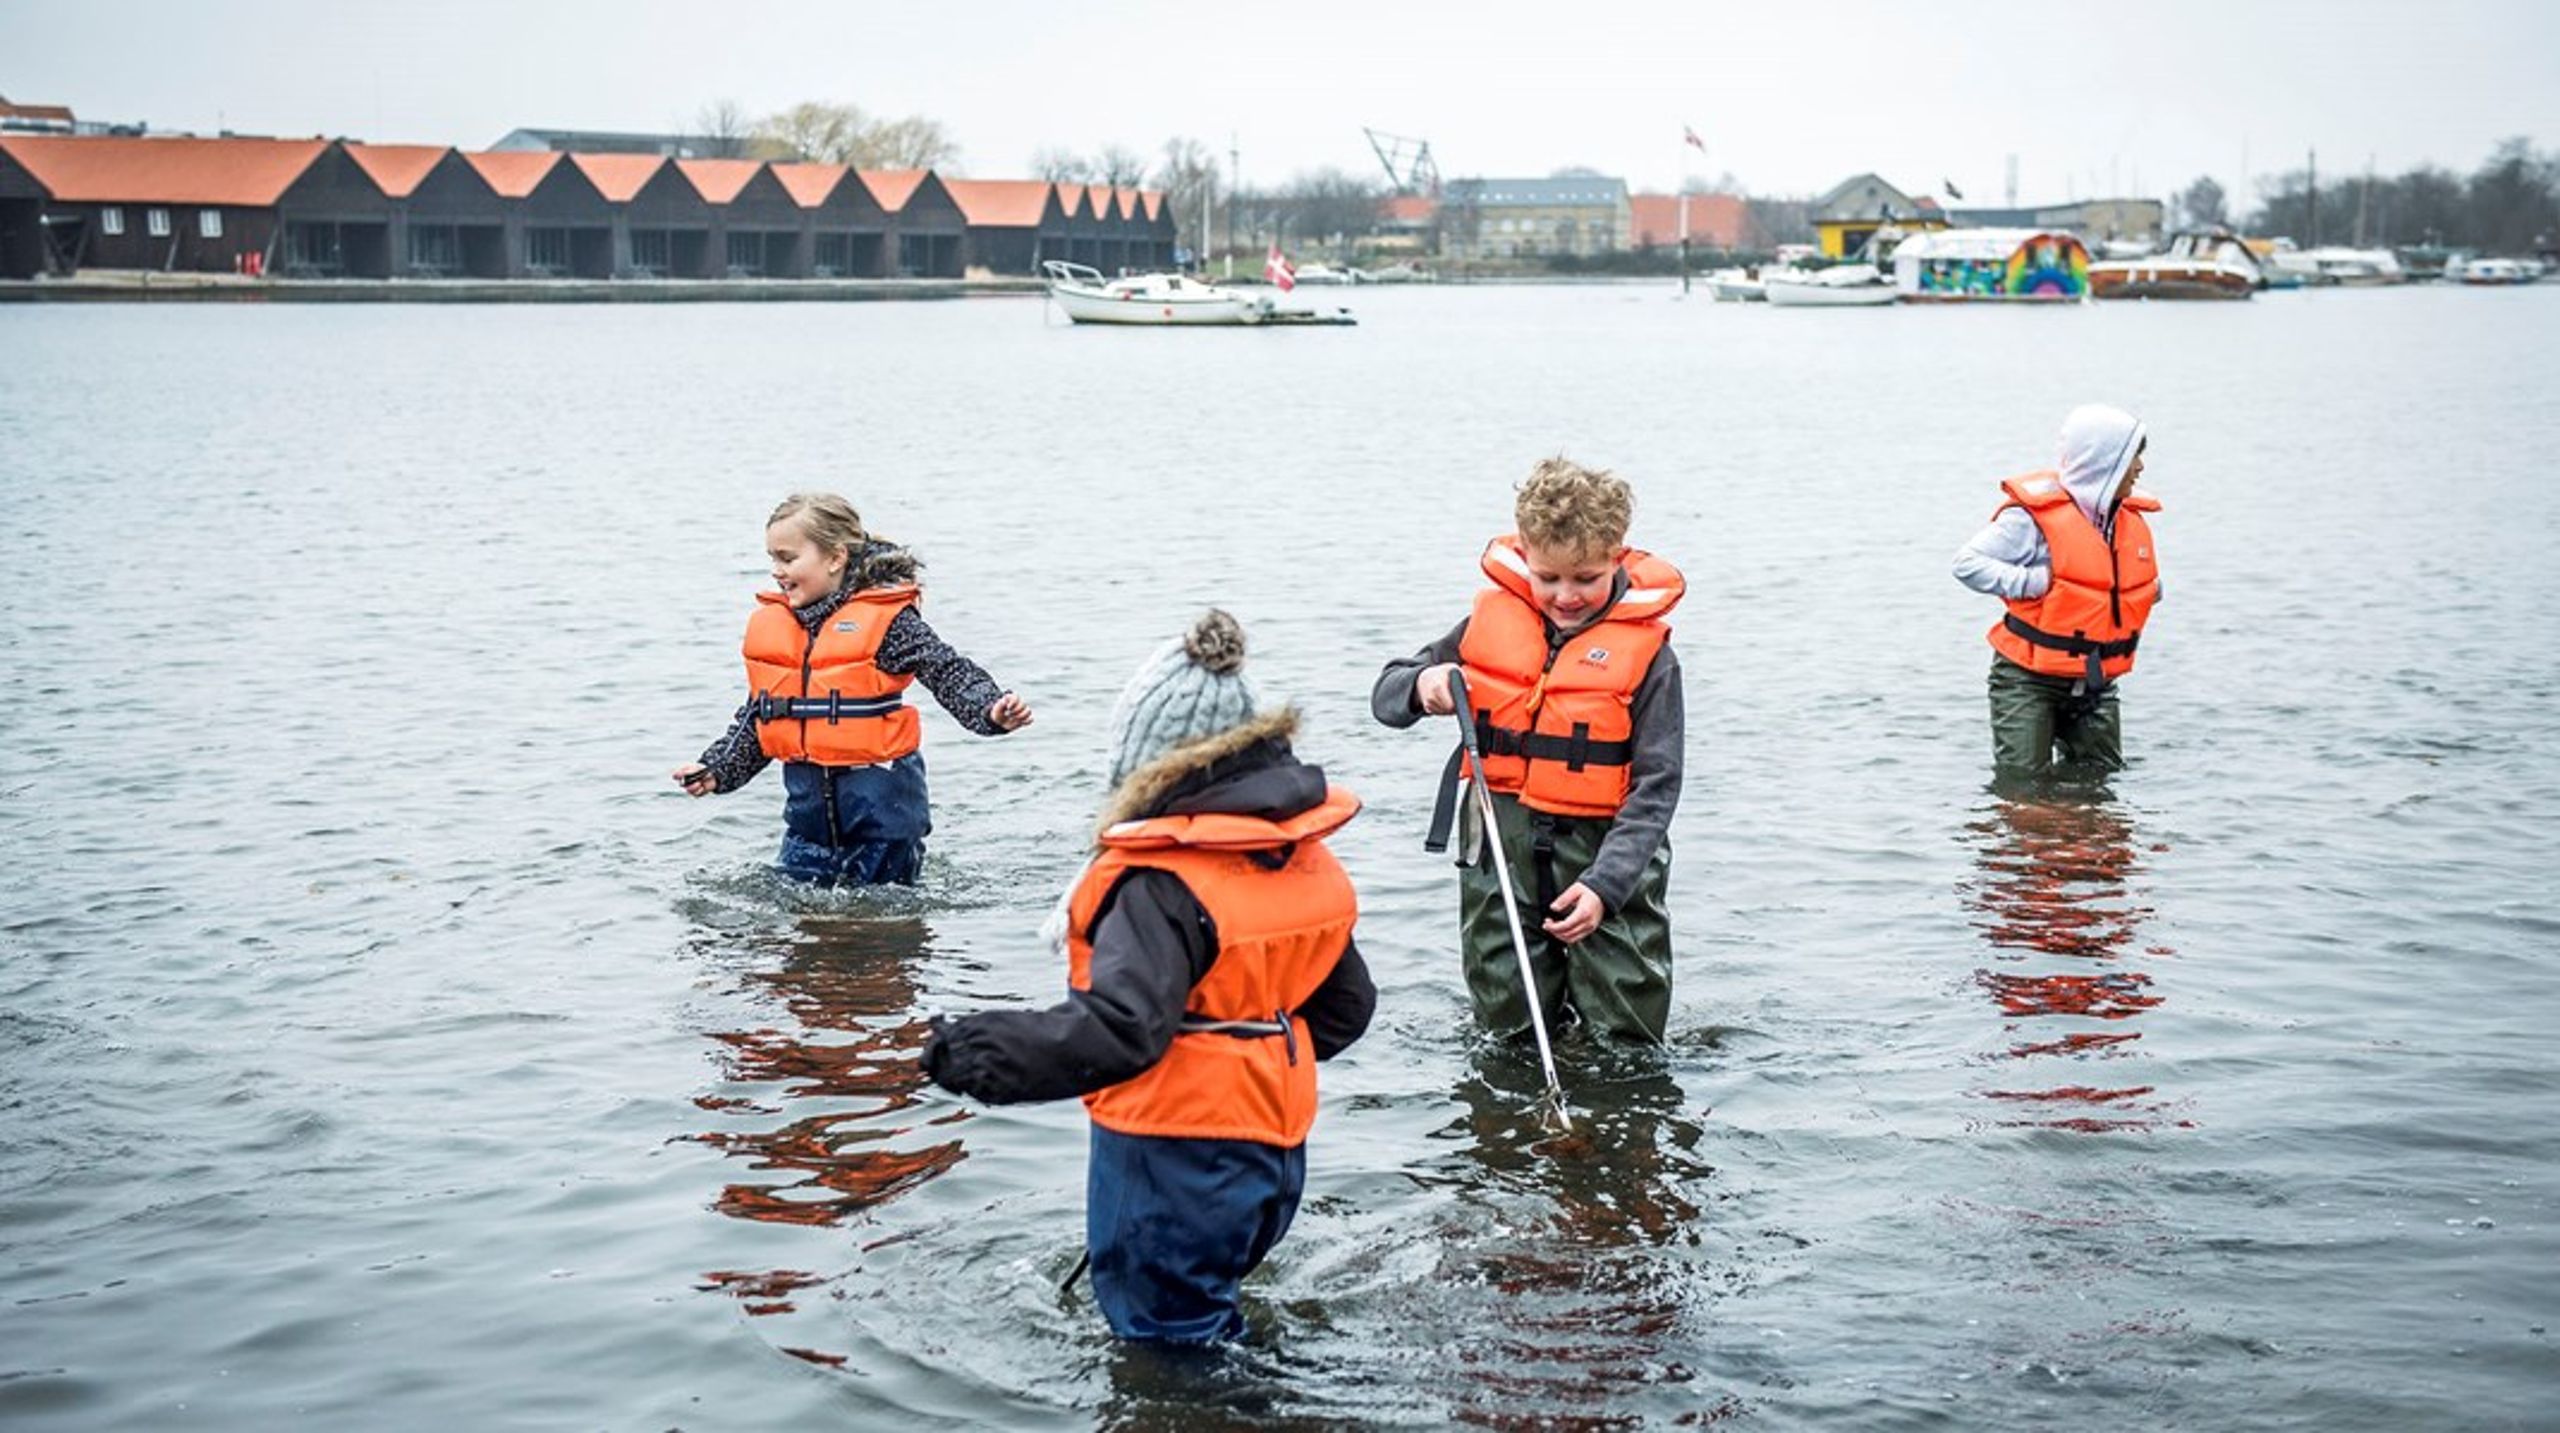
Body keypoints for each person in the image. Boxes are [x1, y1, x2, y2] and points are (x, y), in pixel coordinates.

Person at [922, 610, 1375, 1344]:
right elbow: (1348, 1009)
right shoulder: (1300, 857)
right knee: (1207, 1318)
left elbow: (1121, 1030)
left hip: (1174, 1151)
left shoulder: (1158, 882)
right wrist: (1248, 1058)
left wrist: (971, 1052)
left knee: (1166, 1347)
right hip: (1274, 1154)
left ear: (1149, 762)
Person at [1371, 457, 1687, 1046]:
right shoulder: (1485, 625)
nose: (1566, 596)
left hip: (1604, 861)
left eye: (1586, 579)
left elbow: (1658, 787)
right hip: (1500, 846)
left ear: (1617, 557)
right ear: (1525, 559)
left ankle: (1611, 1126)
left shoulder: (1652, 660)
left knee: (1624, 1044)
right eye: (1548, 579)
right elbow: (1386, 695)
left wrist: (1605, 886)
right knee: (1507, 1029)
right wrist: (1424, 685)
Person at [673, 492, 1031, 885]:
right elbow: (762, 715)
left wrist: (990, 710)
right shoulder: (781, 629)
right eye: (772, 558)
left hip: (882, 821)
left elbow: (947, 670)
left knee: (875, 934)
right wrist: (718, 769)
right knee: (804, 933)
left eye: (788, 558)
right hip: (807, 827)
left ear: (835, 557)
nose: (776, 570)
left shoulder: (888, 622)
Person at [1952, 404, 2162, 780]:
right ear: (2105, 461)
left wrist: (2144, 591)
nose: (2141, 467)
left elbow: (2113, 583)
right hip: (2027, 680)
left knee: (2099, 784)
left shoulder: (2123, 518)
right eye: (2134, 456)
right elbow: (1967, 564)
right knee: (2023, 787)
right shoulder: (2029, 519)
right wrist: (2034, 583)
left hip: (2096, 680)